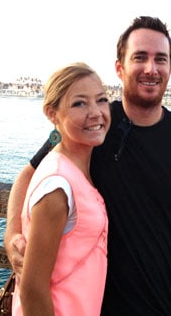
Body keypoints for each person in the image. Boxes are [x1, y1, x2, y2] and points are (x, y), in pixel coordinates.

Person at [5, 16, 171, 316]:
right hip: (95, 306)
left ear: (170, 69)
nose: (151, 68)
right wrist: (11, 235)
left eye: (160, 59)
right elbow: (30, 174)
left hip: (166, 306)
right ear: (120, 68)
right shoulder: (92, 125)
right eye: (140, 57)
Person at [10, 62, 111, 316]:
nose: (96, 112)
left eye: (101, 100)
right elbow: (33, 290)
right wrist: (10, 234)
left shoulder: (70, 167)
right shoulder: (58, 185)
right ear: (52, 114)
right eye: (79, 103)